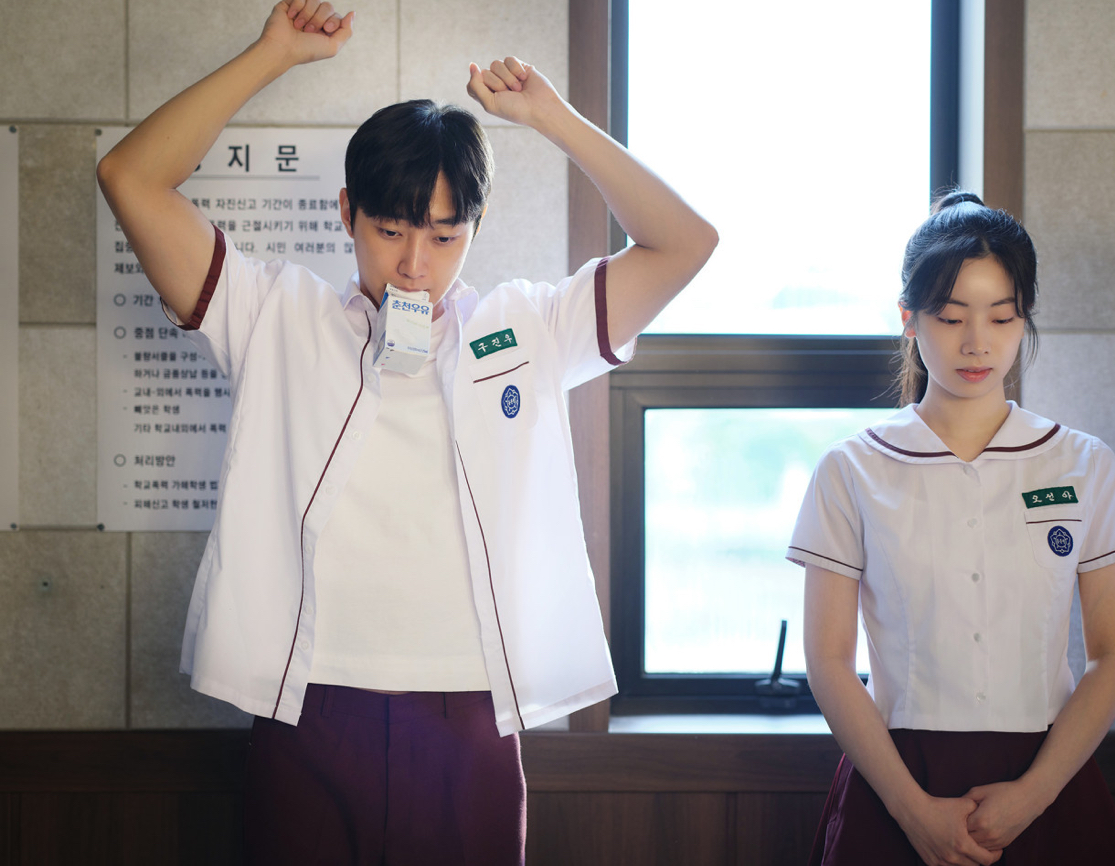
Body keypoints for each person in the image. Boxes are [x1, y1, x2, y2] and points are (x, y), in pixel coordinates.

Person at [96, 2, 717, 863]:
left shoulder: (528, 329)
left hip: (470, 714)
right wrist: (271, 54)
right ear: (346, 212)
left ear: (475, 229)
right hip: (307, 705)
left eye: (445, 236)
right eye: (389, 231)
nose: (414, 265)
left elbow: (686, 242)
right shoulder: (276, 314)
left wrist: (552, 118)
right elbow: (129, 177)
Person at [787, 190, 1115, 866]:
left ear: (1025, 318)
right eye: (951, 317)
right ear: (909, 319)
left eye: (1002, 317)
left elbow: (1113, 653)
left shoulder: (1084, 464)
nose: (977, 342)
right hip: (897, 780)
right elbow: (829, 661)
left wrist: (1034, 795)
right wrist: (912, 811)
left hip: (1049, 779)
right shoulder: (852, 469)